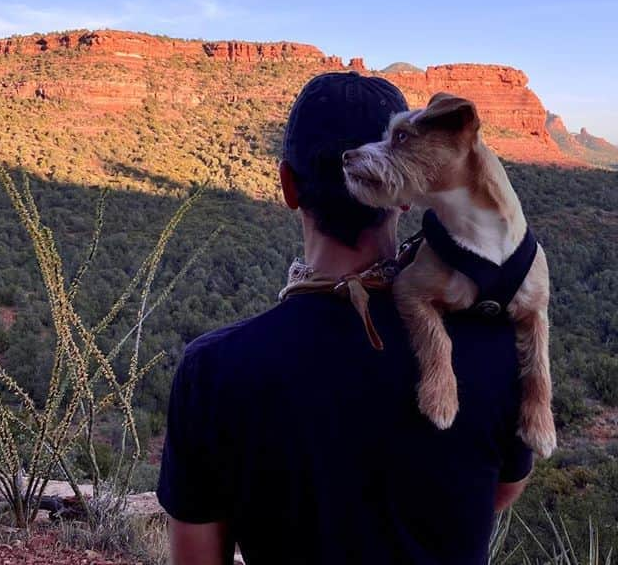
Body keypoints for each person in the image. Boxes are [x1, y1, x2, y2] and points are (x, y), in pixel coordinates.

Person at [157, 72, 534, 565]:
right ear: (403, 194)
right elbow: (500, 491)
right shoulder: (499, 348)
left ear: (288, 186)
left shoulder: (214, 372)